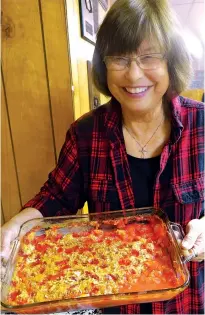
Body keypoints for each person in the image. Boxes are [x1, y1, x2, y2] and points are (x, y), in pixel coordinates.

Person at [1, 0, 204, 314]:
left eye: (149, 57)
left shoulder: (201, 125)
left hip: (188, 302)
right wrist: (13, 227)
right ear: (103, 65)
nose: (134, 74)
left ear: (171, 62)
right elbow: (54, 199)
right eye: (120, 58)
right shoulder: (85, 133)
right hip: (111, 298)